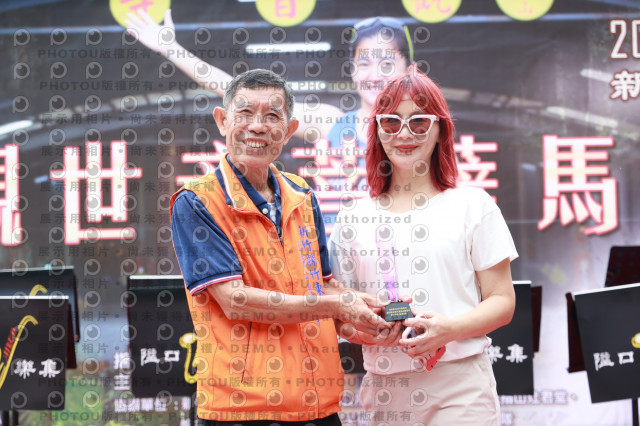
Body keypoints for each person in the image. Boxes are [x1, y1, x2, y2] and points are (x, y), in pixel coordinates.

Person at [170, 68, 389, 425]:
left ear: (289, 131)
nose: (257, 126)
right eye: (245, 113)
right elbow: (235, 300)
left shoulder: (302, 194)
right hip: (243, 408)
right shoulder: (197, 201)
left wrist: (364, 309)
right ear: (223, 121)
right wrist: (337, 305)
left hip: (318, 402)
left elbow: (321, 284)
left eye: (272, 116)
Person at [328, 66, 518, 425]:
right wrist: (367, 329)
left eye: (418, 122)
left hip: (460, 386)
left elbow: (502, 302)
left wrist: (451, 329)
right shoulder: (353, 217)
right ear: (376, 130)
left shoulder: (473, 206)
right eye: (391, 122)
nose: (404, 134)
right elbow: (340, 316)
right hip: (386, 388)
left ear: (440, 129)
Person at [124, 11, 412, 149]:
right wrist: (171, 50)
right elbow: (238, 91)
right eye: (364, 63)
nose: (376, 75)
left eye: (387, 64)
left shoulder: (425, 133)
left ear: (409, 69)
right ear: (353, 71)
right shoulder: (333, 124)